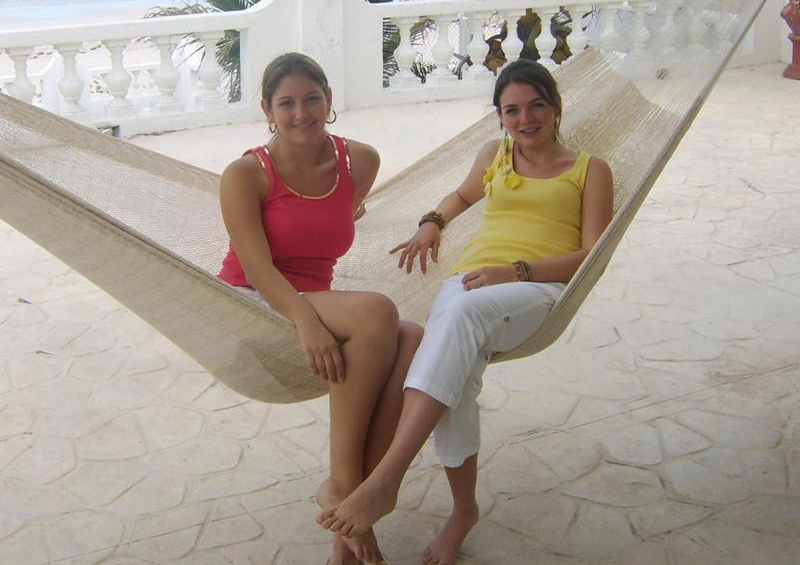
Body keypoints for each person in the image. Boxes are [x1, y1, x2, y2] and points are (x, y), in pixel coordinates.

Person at [317, 59, 614, 565]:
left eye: (536, 105)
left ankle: (385, 480)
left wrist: (517, 271)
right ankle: (461, 512)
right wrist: (432, 222)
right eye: (512, 110)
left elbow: (592, 253)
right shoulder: (493, 155)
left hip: (535, 288)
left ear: (556, 106)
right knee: (455, 371)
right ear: (500, 117)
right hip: (471, 283)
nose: (526, 119)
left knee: (453, 324)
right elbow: (460, 195)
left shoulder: (590, 170)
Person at [218, 52, 422, 565]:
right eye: (286, 103)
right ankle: (349, 493)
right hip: (255, 303)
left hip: (316, 303)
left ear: (330, 100)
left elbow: (340, 215)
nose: (301, 113)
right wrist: (307, 321)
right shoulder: (246, 174)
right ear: (267, 109)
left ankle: (343, 530)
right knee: (378, 313)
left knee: (415, 338)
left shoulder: (362, 162)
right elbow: (259, 268)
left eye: (312, 98)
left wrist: (316, 311)